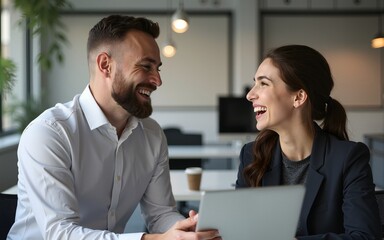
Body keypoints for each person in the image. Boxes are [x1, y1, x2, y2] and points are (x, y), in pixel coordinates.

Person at [7, 15, 221, 240]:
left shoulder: (152, 135)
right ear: (105, 65)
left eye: (158, 68)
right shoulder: (49, 133)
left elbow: (160, 214)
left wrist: (189, 229)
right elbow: (61, 233)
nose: (157, 80)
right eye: (146, 66)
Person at [236, 45, 381, 239]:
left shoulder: (348, 158)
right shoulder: (252, 154)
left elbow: (364, 237)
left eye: (263, 84)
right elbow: (240, 228)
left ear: (298, 97)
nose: (250, 95)